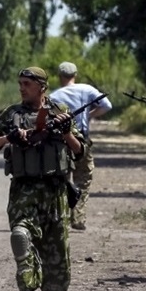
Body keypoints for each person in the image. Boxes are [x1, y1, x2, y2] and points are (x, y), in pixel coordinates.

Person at [0, 66, 86, 291]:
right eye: (20, 83)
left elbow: (81, 152)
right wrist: (8, 138)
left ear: (42, 87)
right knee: (20, 236)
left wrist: (67, 132)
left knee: (57, 248)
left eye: (27, 83)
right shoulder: (12, 114)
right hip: (23, 191)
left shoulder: (61, 113)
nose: (22, 88)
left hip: (55, 192)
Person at [49, 61, 112, 231]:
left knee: (62, 179)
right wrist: (89, 115)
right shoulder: (87, 89)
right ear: (75, 75)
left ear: (60, 76)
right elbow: (107, 105)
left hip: (61, 144)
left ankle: (61, 218)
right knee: (83, 179)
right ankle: (78, 217)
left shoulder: (54, 96)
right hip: (82, 141)